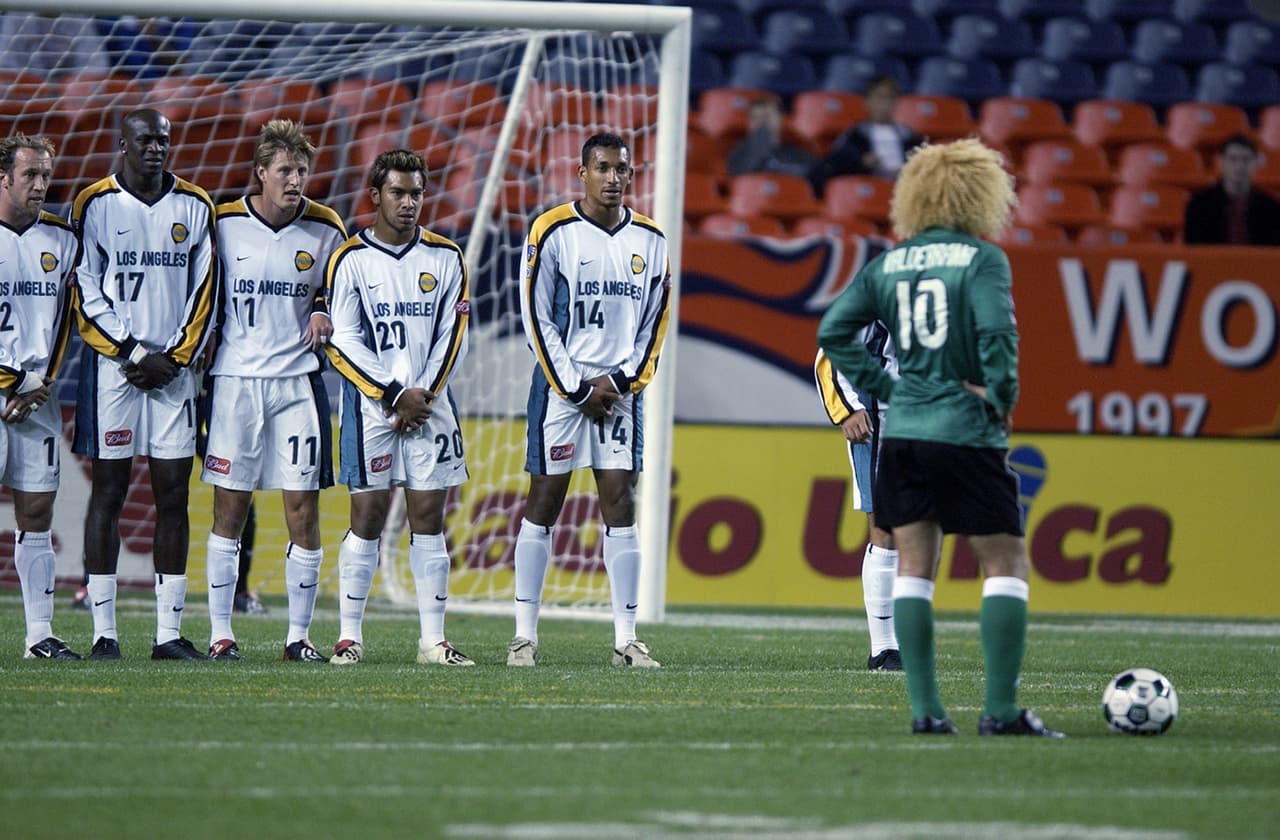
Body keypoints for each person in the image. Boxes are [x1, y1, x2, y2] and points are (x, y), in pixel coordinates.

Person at [816, 138, 1063, 738]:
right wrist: (1000, 399)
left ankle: (926, 711)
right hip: (962, 429)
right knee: (1003, 558)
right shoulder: (981, 259)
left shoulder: (889, 263)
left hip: (903, 431)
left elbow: (833, 331)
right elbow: (998, 338)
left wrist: (888, 389)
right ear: (983, 195)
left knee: (914, 563)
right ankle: (1000, 712)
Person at [509, 132, 672, 668]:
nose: (613, 178)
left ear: (631, 174)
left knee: (620, 503)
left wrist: (620, 383)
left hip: (619, 393)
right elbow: (536, 317)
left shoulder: (651, 240)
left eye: (621, 169)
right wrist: (577, 387)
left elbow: (655, 324)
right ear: (582, 172)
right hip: (563, 391)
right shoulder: (551, 231)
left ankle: (627, 639)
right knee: (545, 502)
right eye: (602, 168)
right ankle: (524, 637)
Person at [71, 108, 216, 662]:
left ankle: (167, 635)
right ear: (122, 145)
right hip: (116, 371)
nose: (155, 148)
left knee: (173, 495)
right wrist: (134, 351)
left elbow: (206, 290)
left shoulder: (195, 205)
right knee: (108, 491)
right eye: (144, 140)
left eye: (163, 140)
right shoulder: (94, 204)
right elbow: (84, 290)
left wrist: (173, 358)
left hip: (174, 376)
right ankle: (103, 633)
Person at [199, 119, 347, 661]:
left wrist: (325, 306)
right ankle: (221, 634)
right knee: (228, 510)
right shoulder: (223, 223)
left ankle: (298, 638)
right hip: (235, 383)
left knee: (303, 511)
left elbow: (339, 288)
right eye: (285, 170)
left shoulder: (327, 228)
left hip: (297, 386)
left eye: (302, 170)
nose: (295, 180)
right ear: (260, 172)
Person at [323, 148, 474, 667]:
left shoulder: (447, 257)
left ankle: (434, 641)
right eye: (398, 193)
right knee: (366, 514)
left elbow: (453, 338)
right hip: (372, 408)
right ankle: (348, 636)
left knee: (428, 517)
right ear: (375, 196)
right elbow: (342, 339)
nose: (409, 203)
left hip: (429, 407)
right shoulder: (350, 258)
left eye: (416, 193)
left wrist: (421, 397)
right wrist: (392, 394)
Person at [0, 133, 82, 659]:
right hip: (13, 388)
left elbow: (66, 326)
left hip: (37, 399)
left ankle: (39, 636)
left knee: (37, 514)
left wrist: (38, 384)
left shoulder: (63, 240)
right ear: (2, 177)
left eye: (45, 176)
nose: (39, 185)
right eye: (28, 175)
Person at [814, 341, 901, 672]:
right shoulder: (877, 290)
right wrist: (847, 408)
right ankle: (883, 648)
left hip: (932, 411)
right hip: (883, 414)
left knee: (924, 528)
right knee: (886, 525)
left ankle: (902, 639)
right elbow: (831, 348)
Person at [810, 75, 923, 197]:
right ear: (867, 101)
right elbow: (833, 166)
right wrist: (861, 163)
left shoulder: (911, 137)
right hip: (865, 193)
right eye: (879, 97)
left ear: (897, 102)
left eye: (890, 97)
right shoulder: (854, 135)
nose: (884, 103)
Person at [1183, 133, 1280, 246]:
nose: (1239, 166)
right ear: (1222, 162)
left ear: (1255, 162)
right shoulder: (1199, 204)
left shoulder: (1271, 206)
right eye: (1233, 159)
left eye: (1246, 160)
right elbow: (1194, 252)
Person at [727, 96, 817, 178]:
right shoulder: (738, 153)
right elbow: (738, 180)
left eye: (767, 117)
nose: (761, 122)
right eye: (755, 118)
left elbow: (812, 177)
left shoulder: (797, 152)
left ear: (780, 120)